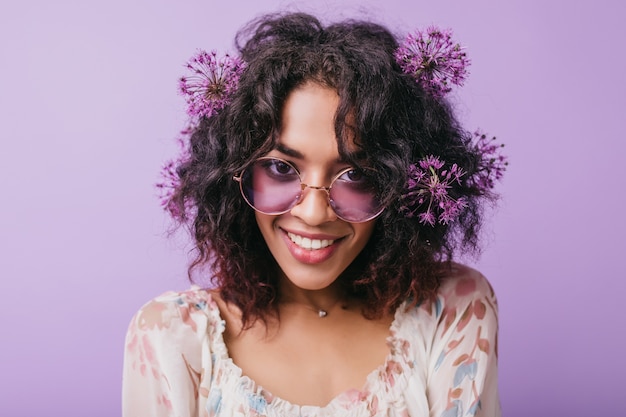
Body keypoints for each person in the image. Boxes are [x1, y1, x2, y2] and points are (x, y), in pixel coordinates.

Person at [122, 12, 506, 417]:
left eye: (355, 174)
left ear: (403, 185)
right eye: (281, 168)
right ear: (232, 175)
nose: (314, 211)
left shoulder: (453, 309)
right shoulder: (171, 337)